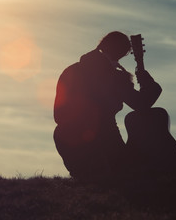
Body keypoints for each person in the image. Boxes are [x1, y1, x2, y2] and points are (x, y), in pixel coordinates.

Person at [53, 31, 163, 180]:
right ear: (122, 53)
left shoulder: (70, 70)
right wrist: (148, 82)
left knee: (91, 179)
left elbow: (58, 114)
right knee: (131, 172)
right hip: (104, 140)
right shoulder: (115, 76)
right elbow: (141, 103)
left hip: (66, 138)